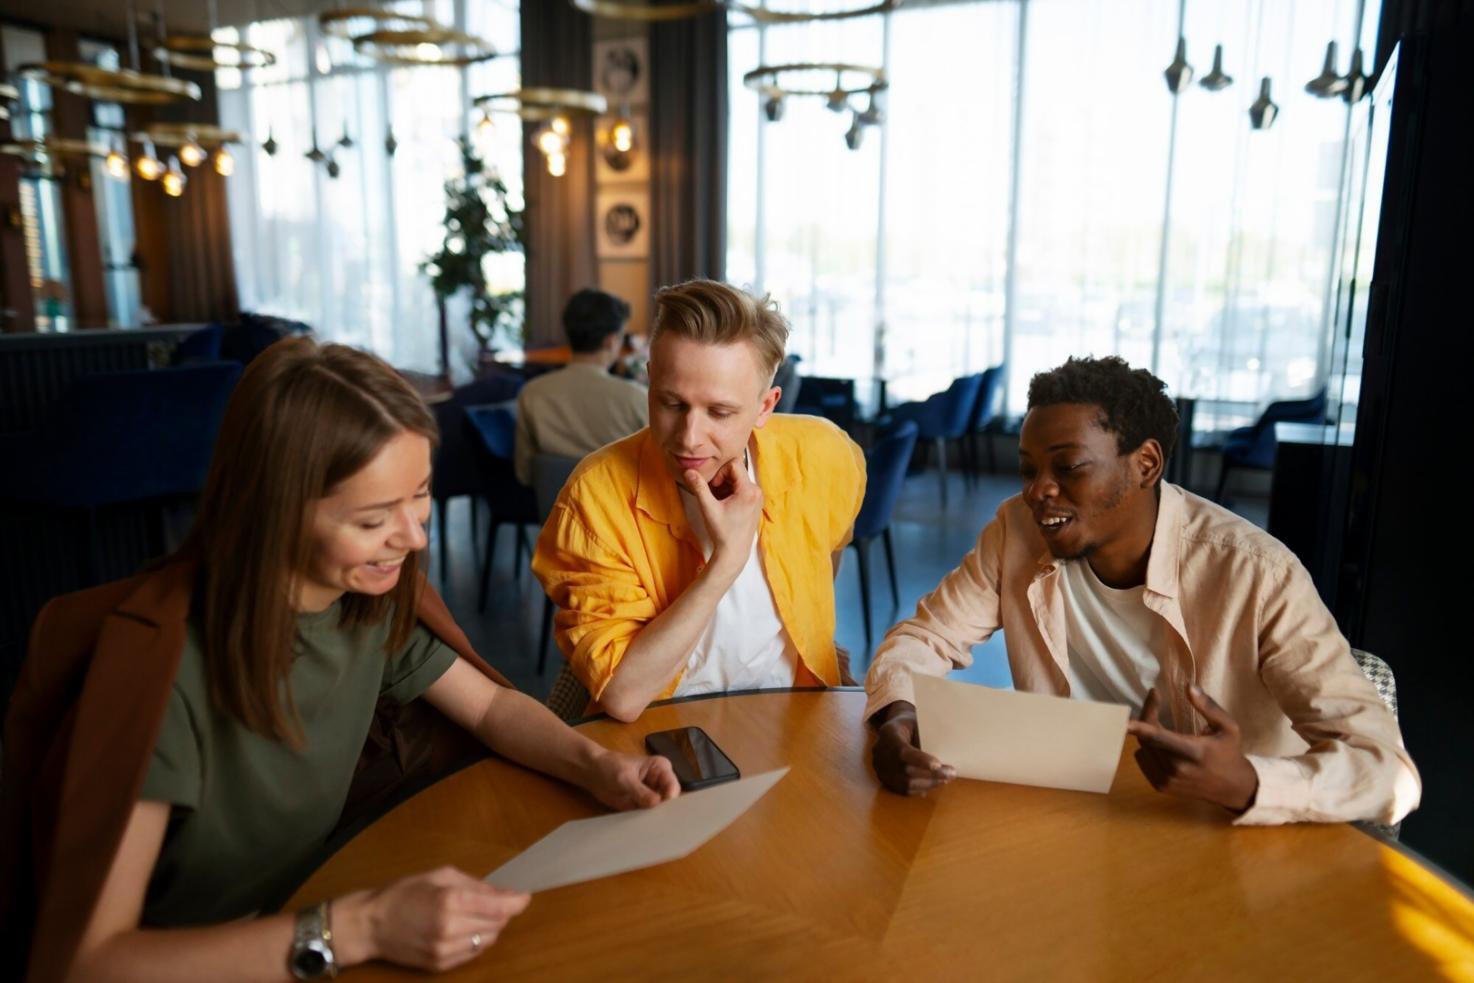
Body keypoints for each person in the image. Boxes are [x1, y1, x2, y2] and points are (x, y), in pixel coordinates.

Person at [0, 338, 679, 982]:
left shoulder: (368, 604)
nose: (412, 538)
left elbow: (492, 705)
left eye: (420, 496)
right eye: (373, 517)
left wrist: (599, 767)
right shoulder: (167, 670)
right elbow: (85, 964)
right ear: (275, 512)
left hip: (321, 904)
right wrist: (362, 926)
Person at [865, 356, 1420, 826]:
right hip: (1083, 817)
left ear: (1146, 464)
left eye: (1069, 467)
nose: (1038, 491)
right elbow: (925, 638)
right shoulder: (1017, 529)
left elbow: (1389, 772)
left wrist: (1250, 781)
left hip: (1228, 833)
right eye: (1029, 468)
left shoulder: (1256, 573)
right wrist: (897, 718)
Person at [531, 280, 866, 722]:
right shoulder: (593, 498)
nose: (689, 439)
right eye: (671, 403)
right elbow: (624, 696)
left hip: (794, 718)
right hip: (658, 730)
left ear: (766, 406)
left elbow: (832, 546)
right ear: (649, 381)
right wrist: (727, 561)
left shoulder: (823, 454)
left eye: (720, 413)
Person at [514, 288, 648, 486]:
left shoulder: (531, 393)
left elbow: (524, 473)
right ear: (611, 340)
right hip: (618, 512)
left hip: (553, 510)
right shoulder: (636, 398)